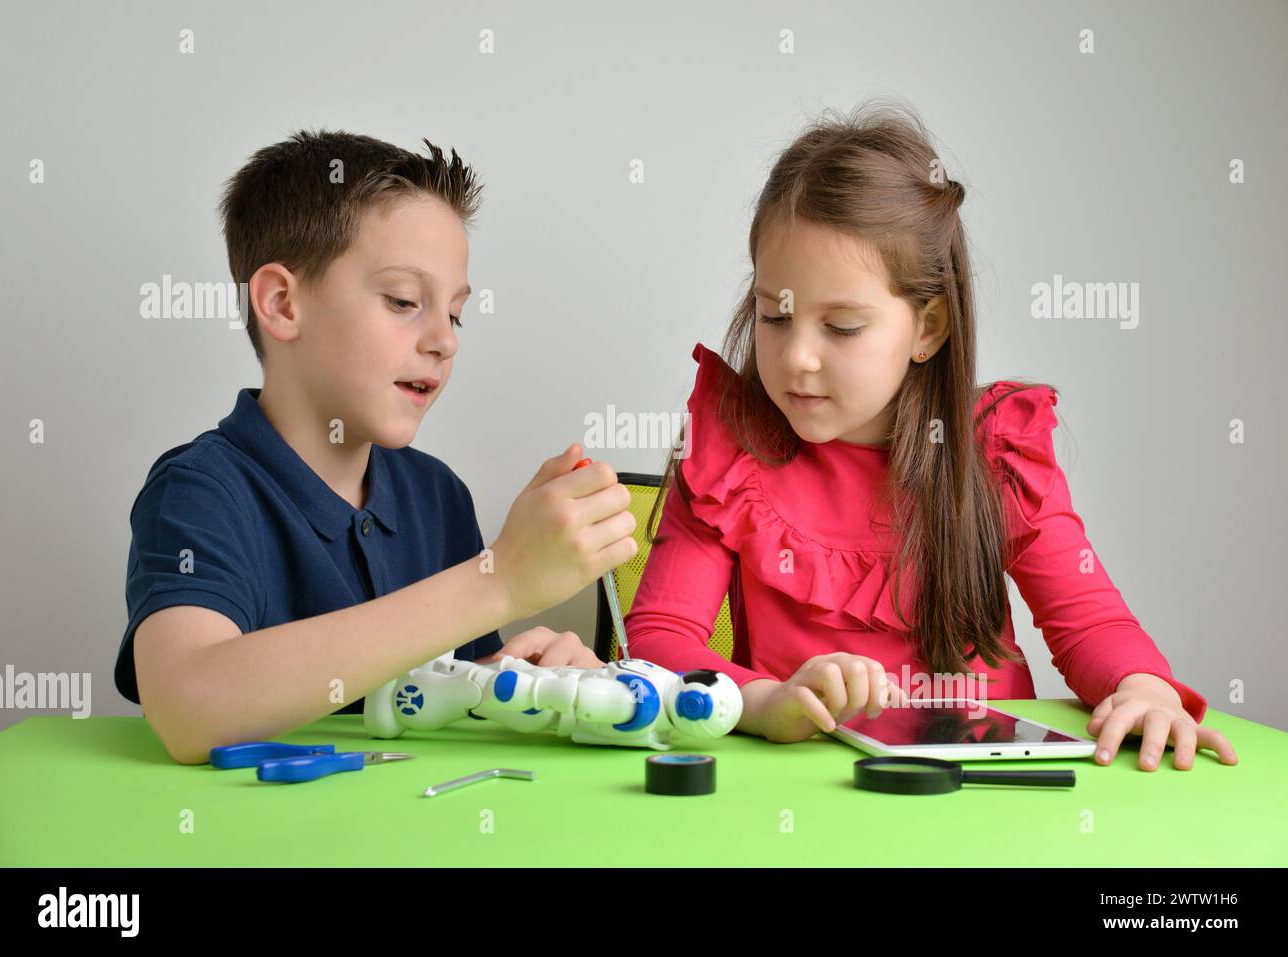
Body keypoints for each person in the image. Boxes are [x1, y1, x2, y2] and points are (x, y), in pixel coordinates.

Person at [625, 102, 1237, 772]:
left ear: (927, 327)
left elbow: (1089, 622)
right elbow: (659, 639)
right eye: (776, 315)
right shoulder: (732, 447)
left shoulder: (997, 450)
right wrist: (766, 702)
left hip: (984, 791)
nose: (797, 356)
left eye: (843, 327)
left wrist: (1141, 688)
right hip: (796, 799)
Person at [115, 130, 637, 764]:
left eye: (456, 314)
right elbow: (188, 708)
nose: (444, 340)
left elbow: (445, 694)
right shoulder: (199, 492)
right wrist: (499, 581)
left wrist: (513, 679)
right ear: (282, 304)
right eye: (403, 301)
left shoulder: (437, 495)